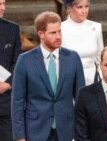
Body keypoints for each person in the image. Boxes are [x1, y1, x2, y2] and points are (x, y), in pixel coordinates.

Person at [11, 11, 85, 141]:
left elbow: (81, 100)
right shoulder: (24, 60)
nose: (58, 36)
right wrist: (20, 136)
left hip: (66, 131)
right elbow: (17, 101)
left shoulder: (73, 58)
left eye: (59, 31)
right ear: (41, 34)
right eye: (53, 33)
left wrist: (81, 133)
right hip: (35, 131)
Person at [62, 0, 104, 86]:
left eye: (86, 6)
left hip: (93, 80)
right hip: (69, 81)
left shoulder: (96, 27)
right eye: (80, 7)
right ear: (69, 8)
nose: (84, 11)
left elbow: (100, 58)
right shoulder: (60, 29)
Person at [0, 0, 22, 140]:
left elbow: (18, 61)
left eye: (3, 3)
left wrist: (7, 84)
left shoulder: (12, 29)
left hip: (6, 100)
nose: (3, 8)